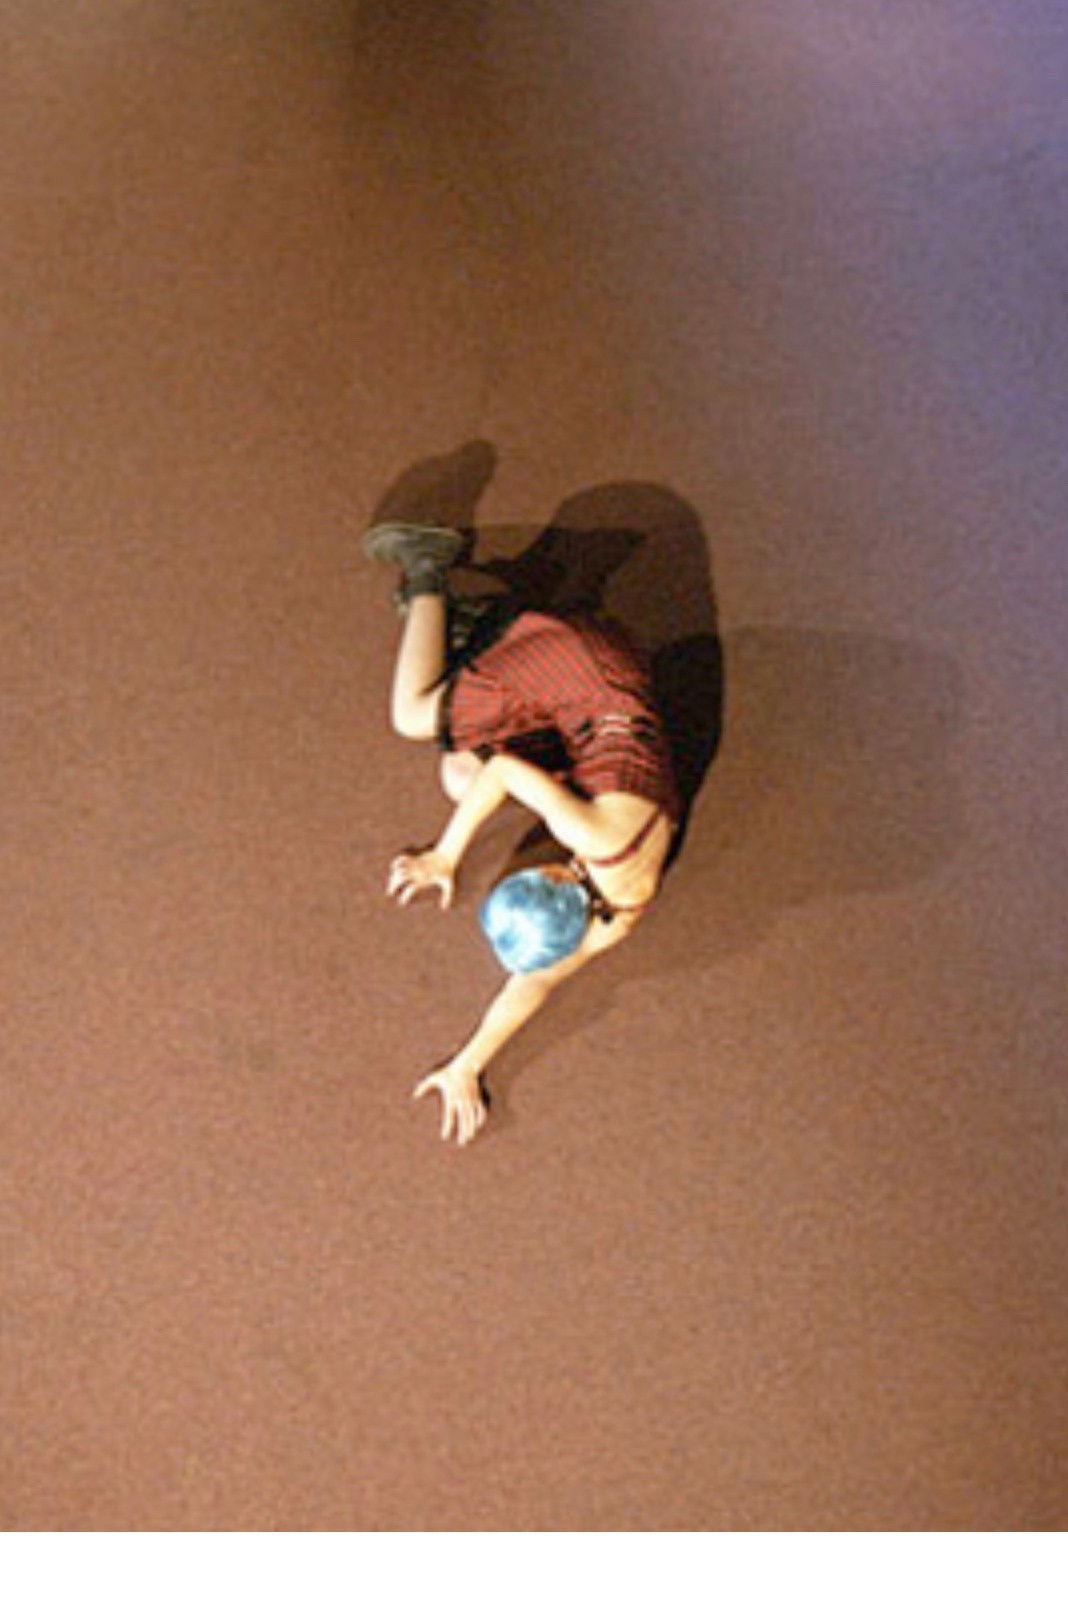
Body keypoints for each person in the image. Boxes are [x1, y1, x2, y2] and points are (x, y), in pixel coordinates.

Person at [365, 521, 680, 1146]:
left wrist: (468, 1064)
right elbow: (507, 771)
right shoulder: (591, 834)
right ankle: (435, 572)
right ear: (554, 873)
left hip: (590, 732)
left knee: (460, 776)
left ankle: (466, 629)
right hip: (590, 666)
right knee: (415, 718)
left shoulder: (617, 914)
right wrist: (445, 856)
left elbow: (534, 981)